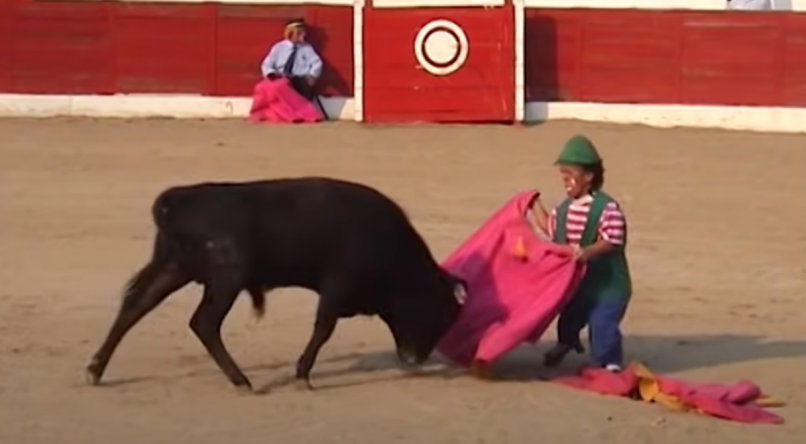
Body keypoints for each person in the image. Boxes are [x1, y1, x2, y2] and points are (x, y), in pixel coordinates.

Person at [529, 135, 632, 373]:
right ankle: (567, 342)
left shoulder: (607, 207)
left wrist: (586, 252)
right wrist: (533, 206)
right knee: (569, 319)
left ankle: (610, 364)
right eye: (563, 172)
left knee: (602, 324)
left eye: (570, 172)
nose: (565, 178)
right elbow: (552, 229)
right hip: (581, 284)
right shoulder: (565, 209)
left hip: (609, 286)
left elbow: (612, 240)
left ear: (589, 176)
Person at [260, 18, 323, 103]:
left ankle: (302, 111)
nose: (303, 35)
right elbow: (267, 64)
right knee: (265, 88)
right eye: (299, 33)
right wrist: (271, 74)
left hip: (300, 79)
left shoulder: (307, 48)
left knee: (304, 88)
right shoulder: (279, 47)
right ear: (290, 33)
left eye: (303, 32)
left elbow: (317, 62)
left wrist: (313, 75)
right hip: (281, 78)